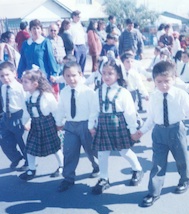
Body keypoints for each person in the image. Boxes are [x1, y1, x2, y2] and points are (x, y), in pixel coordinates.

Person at [134, 61, 189, 207]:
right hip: (159, 132)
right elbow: (151, 117)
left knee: (181, 158)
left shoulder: (180, 94)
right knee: (157, 163)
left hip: (177, 131)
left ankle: (185, 180)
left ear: (174, 79)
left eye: (167, 81)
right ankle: (154, 192)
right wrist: (142, 131)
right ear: (154, 81)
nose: (163, 85)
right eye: (159, 81)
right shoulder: (154, 96)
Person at [91, 58, 144, 195]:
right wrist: (91, 125)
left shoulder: (123, 93)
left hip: (119, 125)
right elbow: (94, 110)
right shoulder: (97, 92)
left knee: (124, 151)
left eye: (110, 73)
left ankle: (137, 169)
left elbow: (130, 114)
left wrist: (133, 130)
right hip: (103, 126)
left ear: (118, 75)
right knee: (102, 153)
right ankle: (104, 178)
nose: (106, 76)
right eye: (104, 73)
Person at [55, 61, 100, 192]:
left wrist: (92, 126)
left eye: (74, 75)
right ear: (63, 77)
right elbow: (61, 108)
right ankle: (68, 178)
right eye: (67, 76)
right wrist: (59, 122)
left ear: (80, 75)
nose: (71, 79)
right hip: (70, 125)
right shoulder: (64, 92)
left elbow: (93, 110)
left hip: (86, 125)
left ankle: (98, 168)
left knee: (91, 150)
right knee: (69, 151)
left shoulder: (88, 92)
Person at [19, 69, 64, 180]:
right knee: (30, 147)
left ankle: (62, 166)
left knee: (55, 147)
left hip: (47, 124)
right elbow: (26, 113)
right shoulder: (27, 98)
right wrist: (26, 122)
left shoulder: (46, 96)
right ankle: (31, 169)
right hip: (35, 125)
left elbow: (56, 110)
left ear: (35, 84)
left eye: (25, 82)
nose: (22, 84)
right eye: (22, 81)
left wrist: (59, 124)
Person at [0, 61, 28, 171]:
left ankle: (28, 162)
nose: (5, 78)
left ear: (14, 74)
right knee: (3, 138)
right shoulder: (3, 87)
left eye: (7, 75)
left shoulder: (20, 88)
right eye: (2, 76)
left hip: (18, 116)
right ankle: (15, 157)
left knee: (21, 141)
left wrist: (27, 120)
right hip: (6, 117)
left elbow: (26, 104)